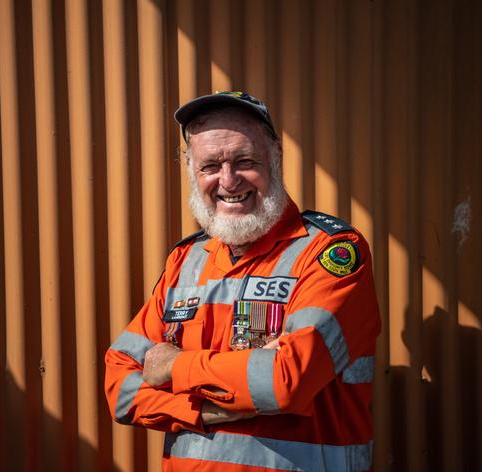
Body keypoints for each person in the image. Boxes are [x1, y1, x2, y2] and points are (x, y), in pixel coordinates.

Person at [104, 91, 381, 471]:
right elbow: (120, 388)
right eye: (210, 166)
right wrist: (207, 411)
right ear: (191, 169)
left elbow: (285, 382)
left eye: (244, 161)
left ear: (276, 158)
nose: (228, 181)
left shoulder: (331, 254)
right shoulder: (185, 261)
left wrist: (173, 366)